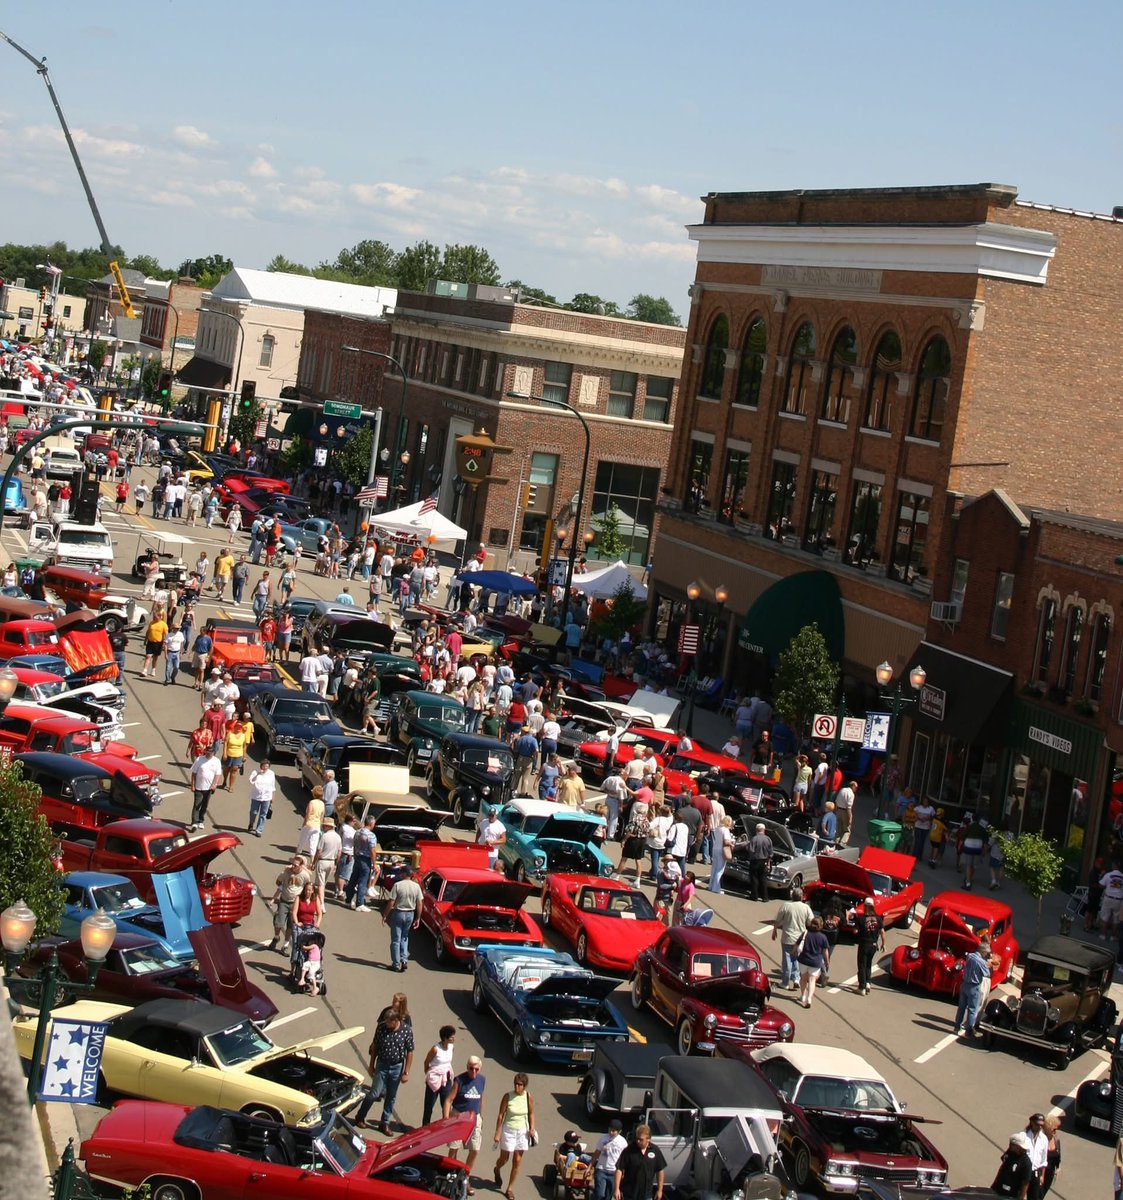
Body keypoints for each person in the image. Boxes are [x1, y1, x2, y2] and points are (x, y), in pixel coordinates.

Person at [354, 1008, 414, 1136]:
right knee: (375, 1093)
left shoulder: (406, 1031)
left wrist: (406, 1072)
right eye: (385, 1022)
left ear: (396, 1020)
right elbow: (375, 1046)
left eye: (388, 1022)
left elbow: (410, 1051)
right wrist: (371, 1065)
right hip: (382, 1064)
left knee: (391, 1096)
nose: (386, 1024)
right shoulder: (381, 1028)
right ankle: (360, 1116)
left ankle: (384, 1123)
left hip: (397, 1067)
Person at [493, 1074, 536, 1200]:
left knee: (517, 1161)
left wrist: (532, 1128)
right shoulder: (508, 1096)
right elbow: (501, 1115)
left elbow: (532, 1113)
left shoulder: (528, 1097)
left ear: (524, 1086)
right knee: (504, 1158)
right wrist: (497, 1132)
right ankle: (497, 1168)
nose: (517, 1087)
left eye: (520, 1085)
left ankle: (509, 1188)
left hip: (522, 1131)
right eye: (515, 1084)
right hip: (509, 1130)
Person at [447, 1055, 487, 1189]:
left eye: (476, 1069)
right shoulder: (459, 1080)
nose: (473, 1072)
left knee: (475, 1149)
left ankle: (465, 1177)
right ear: (467, 1067)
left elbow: (481, 1098)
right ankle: (451, 1176)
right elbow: (448, 1100)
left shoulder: (481, 1080)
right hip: (459, 1117)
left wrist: (481, 1116)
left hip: (475, 1118)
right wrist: (446, 1119)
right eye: (471, 1068)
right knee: (454, 1148)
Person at [384, 863, 424, 971]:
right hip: (410, 913)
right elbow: (419, 903)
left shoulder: (398, 885)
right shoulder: (416, 887)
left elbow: (391, 902)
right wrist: (418, 918)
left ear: (404, 874)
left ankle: (396, 964)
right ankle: (404, 960)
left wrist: (385, 915)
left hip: (399, 913)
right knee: (405, 937)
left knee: (396, 939)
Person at [772, 887, 814, 991]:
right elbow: (811, 922)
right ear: (801, 896)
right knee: (796, 959)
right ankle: (796, 979)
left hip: (787, 937)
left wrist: (775, 930)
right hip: (800, 939)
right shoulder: (806, 908)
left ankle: (785, 982)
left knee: (787, 960)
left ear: (792, 896)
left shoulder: (786, 906)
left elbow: (778, 920)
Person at [270, 855, 311, 954]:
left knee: (290, 925)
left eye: (296, 865)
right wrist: (284, 874)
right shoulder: (286, 872)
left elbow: (308, 887)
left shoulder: (305, 875)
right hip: (284, 901)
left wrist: (305, 900)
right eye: (292, 864)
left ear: (301, 866)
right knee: (278, 922)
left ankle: (285, 945)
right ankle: (276, 937)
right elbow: (278, 882)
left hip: (295, 903)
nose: (293, 867)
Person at [614, 1125, 666, 1200]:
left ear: (648, 1139)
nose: (638, 1141)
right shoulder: (629, 1150)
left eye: (641, 1139)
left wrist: (660, 1190)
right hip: (629, 1194)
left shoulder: (655, 1150)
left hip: (646, 1194)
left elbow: (660, 1170)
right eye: (637, 1138)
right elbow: (619, 1169)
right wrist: (617, 1189)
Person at [954, 937, 992, 1037]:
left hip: (964, 984)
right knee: (972, 1010)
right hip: (974, 987)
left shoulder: (970, 956)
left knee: (961, 1007)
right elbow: (987, 974)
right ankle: (969, 1031)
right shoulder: (982, 962)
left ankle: (956, 1027)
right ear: (983, 952)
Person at [422, 1024, 457, 1126]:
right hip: (434, 1079)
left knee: (446, 1104)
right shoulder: (435, 1049)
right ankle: (425, 1127)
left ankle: (446, 1125)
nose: (454, 1038)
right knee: (429, 1106)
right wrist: (429, 1075)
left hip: (446, 1078)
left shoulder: (451, 1047)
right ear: (445, 1038)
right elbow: (426, 1062)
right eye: (451, 1036)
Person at [796, 916, 831, 1008]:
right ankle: (809, 998)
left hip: (803, 960)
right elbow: (825, 951)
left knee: (803, 978)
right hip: (815, 962)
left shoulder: (805, 933)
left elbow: (797, 944)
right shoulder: (823, 937)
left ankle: (803, 995)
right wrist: (827, 961)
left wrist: (793, 952)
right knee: (812, 980)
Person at [853, 897, 885, 995]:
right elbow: (882, 932)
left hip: (864, 944)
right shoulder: (878, 919)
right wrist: (883, 944)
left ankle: (862, 987)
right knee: (868, 964)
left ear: (865, 906)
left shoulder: (861, 919)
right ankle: (868, 983)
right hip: (874, 945)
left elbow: (855, 931)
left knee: (862, 965)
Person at [189, 744, 223, 832]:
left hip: (209, 788)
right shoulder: (199, 759)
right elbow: (194, 773)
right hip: (199, 786)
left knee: (204, 805)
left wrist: (214, 785)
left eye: (210, 753)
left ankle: (201, 820)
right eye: (207, 753)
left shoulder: (216, 761)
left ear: (213, 753)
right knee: (197, 804)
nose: (208, 754)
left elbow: (217, 774)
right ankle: (194, 822)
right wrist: (193, 785)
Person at [591, 1120, 628, 1200]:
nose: (611, 1132)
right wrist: (589, 1166)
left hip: (614, 1172)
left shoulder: (623, 1142)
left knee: (608, 1196)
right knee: (600, 1194)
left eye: (614, 1131)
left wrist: (623, 1172)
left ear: (619, 1131)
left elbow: (625, 1159)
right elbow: (597, 1152)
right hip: (601, 1169)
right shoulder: (603, 1138)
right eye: (610, 1129)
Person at [992, 1132, 1033, 1199]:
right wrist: (994, 1184)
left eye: (1012, 1144)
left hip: (1011, 1195)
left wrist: (1021, 1198)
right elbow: (1002, 1167)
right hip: (998, 1189)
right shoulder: (1009, 1153)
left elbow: (1026, 1182)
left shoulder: (1026, 1162)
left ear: (1017, 1146)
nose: (1010, 1145)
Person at [222, 712, 253, 791]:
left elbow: (244, 746)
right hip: (229, 754)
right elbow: (225, 743)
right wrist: (224, 753)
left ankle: (231, 786)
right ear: (234, 727)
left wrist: (244, 756)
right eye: (237, 727)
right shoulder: (230, 734)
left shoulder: (243, 735)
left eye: (240, 727)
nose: (238, 728)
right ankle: (225, 780)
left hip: (238, 755)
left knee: (234, 770)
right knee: (226, 769)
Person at [246, 758, 276, 837]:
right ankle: (251, 823)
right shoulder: (255, 772)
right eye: (264, 766)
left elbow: (272, 785)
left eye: (267, 766)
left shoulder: (271, 773)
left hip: (266, 797)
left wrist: (273, 796)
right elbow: (250, 781)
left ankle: (259, 830)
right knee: (253, 812)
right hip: (256, 796)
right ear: (261, 766)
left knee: (263, 814)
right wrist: (258, 774)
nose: (265, 768)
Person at [745, 822, 773, 902]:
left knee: (754, 879)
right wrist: (768, 863)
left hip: (755, 861)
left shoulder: (754, 839)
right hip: (764, 861)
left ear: (756, 830)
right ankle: (765, 897)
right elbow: (771, 853)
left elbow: (751, 850)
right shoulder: (768, 839)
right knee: (763, 879)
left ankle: (754, 896)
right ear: (764, 830)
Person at [709, 814, 735, 895]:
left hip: (715, 849)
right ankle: (716, 888)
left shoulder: (718, 828)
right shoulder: (726, 830)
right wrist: (732, 842)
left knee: (714, 868)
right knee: (720, 870)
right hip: (721, 850)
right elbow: (726, 841)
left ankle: (711, 886)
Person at [140, 612, 168, 678]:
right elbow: (148, 631)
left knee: (155, 658)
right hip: (150, 642)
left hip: (158, 643)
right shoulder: (152, 623)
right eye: (154, 617)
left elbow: (166, 634)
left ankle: (153, 669)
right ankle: (145, 670)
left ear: (159, 617)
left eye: (155, 617)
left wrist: (165, 643)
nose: (154, 618)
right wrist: (145, 640)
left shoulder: (163, 624)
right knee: (148, 656)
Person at [1041, 1113, 1062, 1197]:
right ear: (1047, 1129)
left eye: (1056, 1129)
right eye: (1053, 1129)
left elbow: (1058, 1156)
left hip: (1049, 1175)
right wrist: (1040, 1176)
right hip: (1039, 1174)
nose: (1055, 1132)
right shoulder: (1040, 1140)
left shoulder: (1056, 1140)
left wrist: (1058, 1168)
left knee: (1042, 1196)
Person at [163, 622, 185, 686]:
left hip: (177, 652)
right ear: (173, 628)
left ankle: (173, 677)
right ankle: (167, 679)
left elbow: (182, 643)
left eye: (178, 628)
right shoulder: (169, 635)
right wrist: (165, 654)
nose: (177, 629)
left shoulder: (180, 634)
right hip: (170, 652)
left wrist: (181, 652)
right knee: (168, 667)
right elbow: (165, 645)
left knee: (176, 667)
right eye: (176, 628)